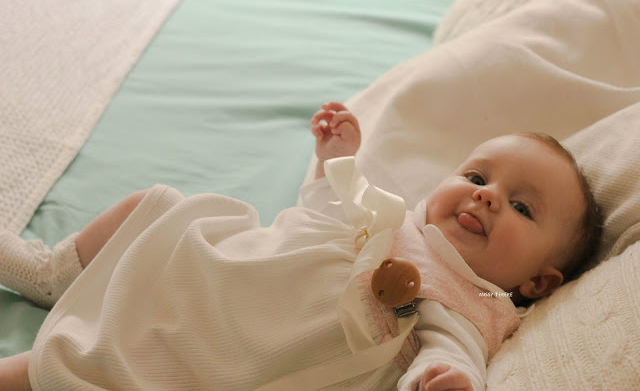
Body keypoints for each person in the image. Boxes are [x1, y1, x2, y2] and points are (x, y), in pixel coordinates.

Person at [0, 102, 600, 390]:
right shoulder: (395, 217)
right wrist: (336, 160)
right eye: (476, 176)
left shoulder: (473, 304)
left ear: (538, 282)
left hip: (244, 346)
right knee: (153, 209)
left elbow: (453, 353)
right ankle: (55, 272)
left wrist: (446, 378)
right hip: (224, 270)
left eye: (522, 207)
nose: (487, 196)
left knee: (75, 369)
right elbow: (325, 208)